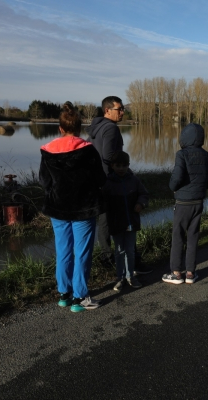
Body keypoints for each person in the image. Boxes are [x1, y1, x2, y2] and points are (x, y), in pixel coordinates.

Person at [39, 102, 106, 312]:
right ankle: (79, 298)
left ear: (60, 128)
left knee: (63, 250)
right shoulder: (89, 150)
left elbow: (44, 181)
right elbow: (100, 179)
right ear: (79, 128)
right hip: (83, 209)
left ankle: (64, 294)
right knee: (82, 251)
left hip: (58, 208)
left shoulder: (47, 150)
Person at [163, 123, 208, 284]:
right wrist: (201, 187)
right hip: (198, 202)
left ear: (184, 137)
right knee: (193, 236)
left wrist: (172, 187)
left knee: (178, 236)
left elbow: (177, 177)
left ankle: (175, 273)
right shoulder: (207, 156)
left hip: (182, 202)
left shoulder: (182, 154)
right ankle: (190, 273)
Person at [85, 96, 124, 270]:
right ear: (107, 110)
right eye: (119, 109)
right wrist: (122, 172)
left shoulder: (97, 127)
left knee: (103, 220)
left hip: (96, 178)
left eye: (122, 109)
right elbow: (108, 156)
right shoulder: (110, 129)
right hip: (108, 180)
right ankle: (113, 259)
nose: (122, 112)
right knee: (111, 220)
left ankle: (106, 257)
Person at [102, 151, 149, 291]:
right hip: (116, 222)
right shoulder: (108, 182)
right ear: (112, 166)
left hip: (131, 222)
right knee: (119, 251)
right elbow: (102, 201)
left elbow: (144, 194)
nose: (121, 168)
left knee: (130, 250)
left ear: (128, 165)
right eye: (118, 165)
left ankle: (131, 277)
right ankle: (120, 277)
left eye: (124, 165)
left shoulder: (134, 180)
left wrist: (141, 204)